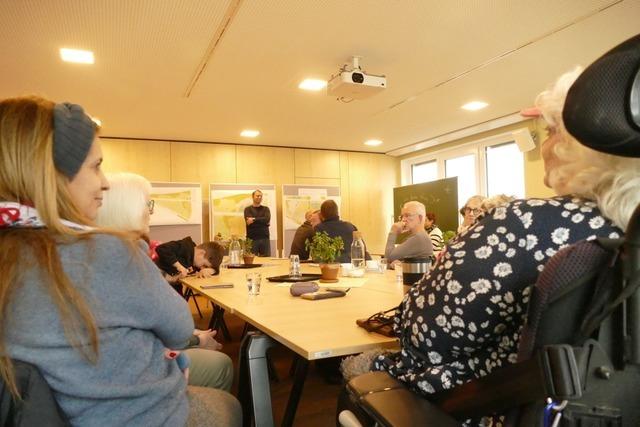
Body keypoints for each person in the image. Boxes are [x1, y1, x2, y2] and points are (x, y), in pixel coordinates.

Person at [342, 67, 640, 426]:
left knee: (357, 367)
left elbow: (427, 335)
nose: (544, 146)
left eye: (548, 132)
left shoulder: (523, 224)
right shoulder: (625, 232)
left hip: (481, 405)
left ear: (575, 144)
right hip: (594, 408)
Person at [0, 96, 240, 426]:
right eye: (95, 166)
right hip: (145, 417)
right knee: (228, 403)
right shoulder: (107, 251)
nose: (105, 182)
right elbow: (180, 328)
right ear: (55, 174)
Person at [96, 172, 234, 392]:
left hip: (124, 359)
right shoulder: (127, 259)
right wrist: (197, 339)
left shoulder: (104, 254)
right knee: (222, 365)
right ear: (127, 210)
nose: (150, 212)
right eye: (147, 204)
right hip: (134, 370)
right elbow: (177, 327)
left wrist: (194, 334)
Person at [244, 189, 271, 256]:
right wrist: (263, 222)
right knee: (251, 262)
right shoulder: (247, 209)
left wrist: (254, 219)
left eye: (261, 196)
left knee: (266, 261)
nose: (259, 197)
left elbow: (267, 219)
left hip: (264, 239)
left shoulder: (266, 209)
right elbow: (249, 223)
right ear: (253, 197)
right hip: (251, 239)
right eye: (257, 196)